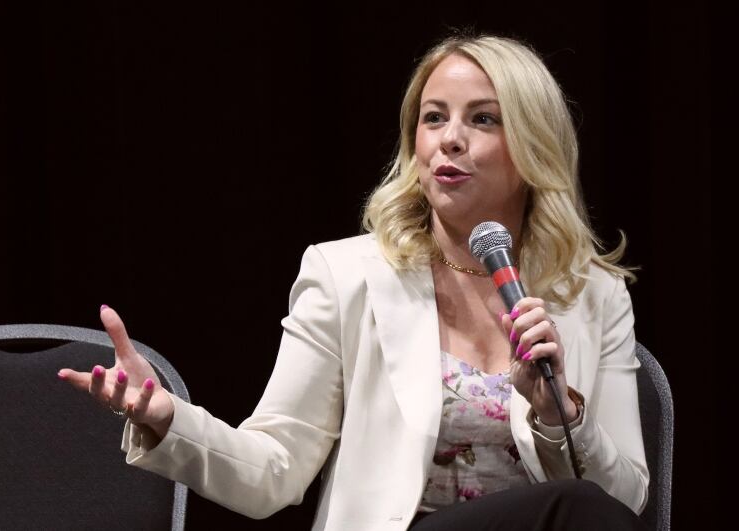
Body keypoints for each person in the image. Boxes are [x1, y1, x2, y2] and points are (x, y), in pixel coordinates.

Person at [58, 32, 651, 530]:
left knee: (580, 507)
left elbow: (624, 503)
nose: (450, 139)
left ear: (532, 146)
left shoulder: (593, 295)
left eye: (484, 119)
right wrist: (167, 418)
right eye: (434, 118)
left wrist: (559, 418)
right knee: (572, 507)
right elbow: (275, 468)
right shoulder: (347, 276)